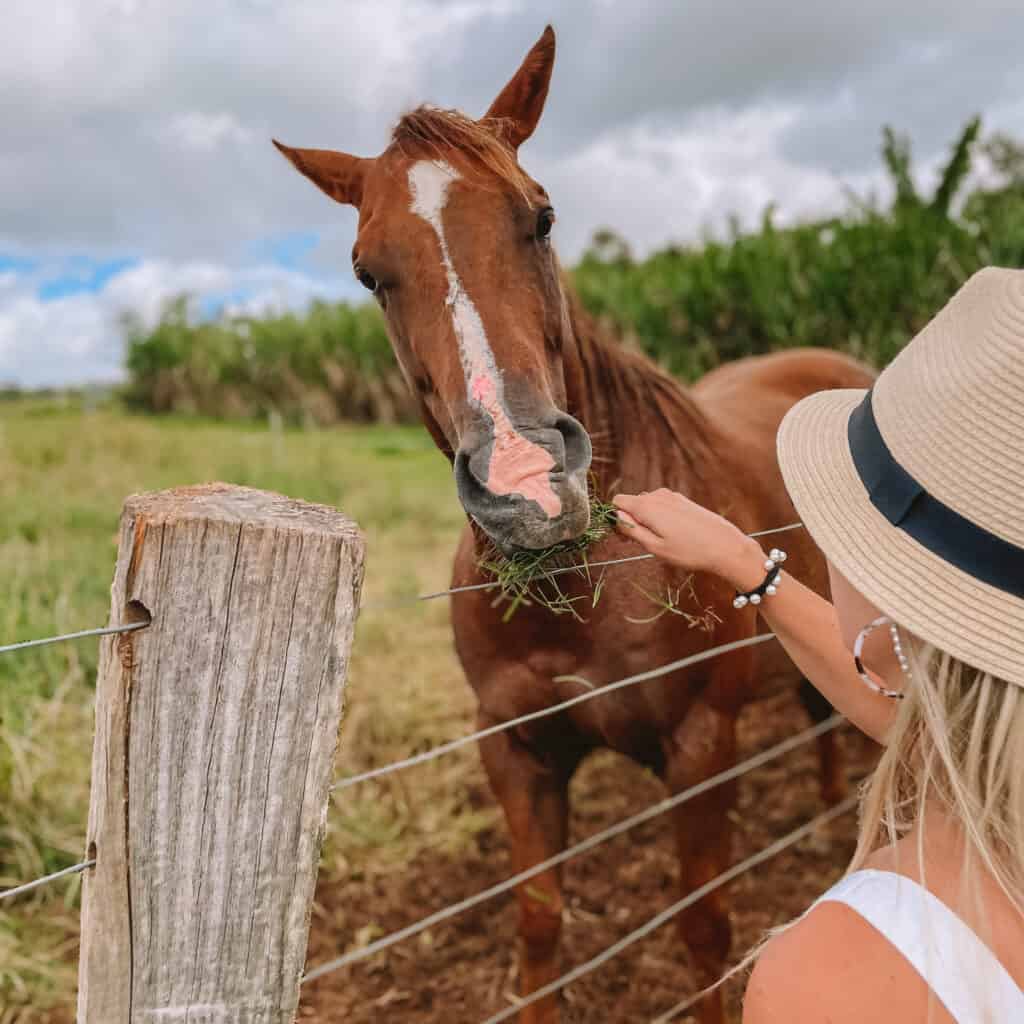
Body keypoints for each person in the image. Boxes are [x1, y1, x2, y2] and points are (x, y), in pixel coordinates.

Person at [612, 266, 1024, 1023]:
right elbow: (938, 722)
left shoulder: (846, 973)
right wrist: (749, 566)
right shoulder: (998, 777)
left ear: (900, 602)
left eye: (838, 520)